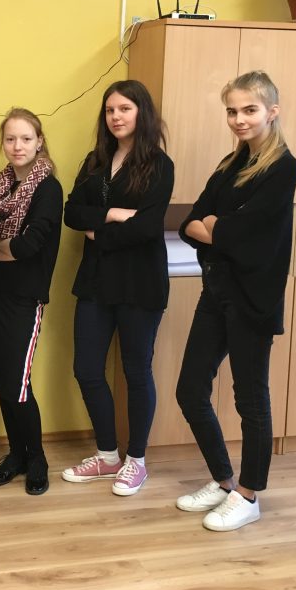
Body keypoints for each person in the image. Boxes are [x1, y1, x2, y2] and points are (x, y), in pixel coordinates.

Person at [174, 71, 296, 532]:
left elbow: (248, 236)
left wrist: (217, 227)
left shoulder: (283, 167)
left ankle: (248, 495)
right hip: (217, 290)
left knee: (251, 399)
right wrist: (217, 229)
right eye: (232, 111)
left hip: (253, 298)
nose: (239, 119)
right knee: (190, 389)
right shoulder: (230, 162)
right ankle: (224, 481)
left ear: (272, 111)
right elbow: (190, 222)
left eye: (250, 110)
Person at [62, 80, 174, 496]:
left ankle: (136, 460)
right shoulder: (95, 160)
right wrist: (111, 214)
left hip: (140, 282)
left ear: (141, 112)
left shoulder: (159, 164)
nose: (116, 117)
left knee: (136, 371)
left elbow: (147, 227)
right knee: (86, 369)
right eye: (110, 110)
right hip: (96, 281)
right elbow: (72, 213)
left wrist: (99, 231)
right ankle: (108, 455)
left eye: (124, 108)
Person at [0, 108, 63, 495]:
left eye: (26, 138)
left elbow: (29, 246)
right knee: (2, 379)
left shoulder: (48, 189)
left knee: (18, 382)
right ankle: (16, 455)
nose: (18, 146)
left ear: (39, 142)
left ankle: (37, 459)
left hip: (25, 297)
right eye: (10, 139)